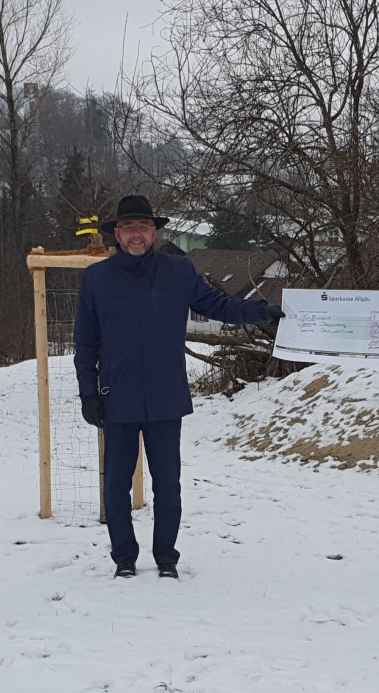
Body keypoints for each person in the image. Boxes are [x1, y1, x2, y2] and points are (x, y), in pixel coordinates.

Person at [73, 195, 283, 580]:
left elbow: (219, 305)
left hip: (165, 398)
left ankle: (166, 557)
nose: (137, 235)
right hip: (116, 398)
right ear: (117, 234)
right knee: (116, 484)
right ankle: (124, 557)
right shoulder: (97, 279)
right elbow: (85, 344)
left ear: (155, 232)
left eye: (144, 227)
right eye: (129, 228)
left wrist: (259, 311)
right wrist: (89, 393)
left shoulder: (179, 271)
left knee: (167, 484)